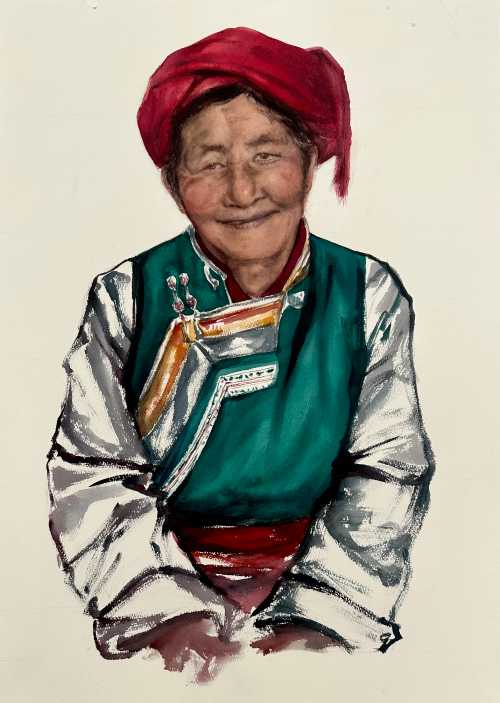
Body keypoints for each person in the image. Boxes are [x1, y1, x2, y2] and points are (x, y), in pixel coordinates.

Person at [47, 27, 434, 679]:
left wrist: (316, 619)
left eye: (266, 154)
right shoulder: (126, 298)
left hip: (323, 596)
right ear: (174, 182)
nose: (242, 190)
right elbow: (91, 473)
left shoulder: (367, 292)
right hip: (159, 595)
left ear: (308, 162)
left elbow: (388, 470)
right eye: (209, 162)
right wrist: (175, 619)